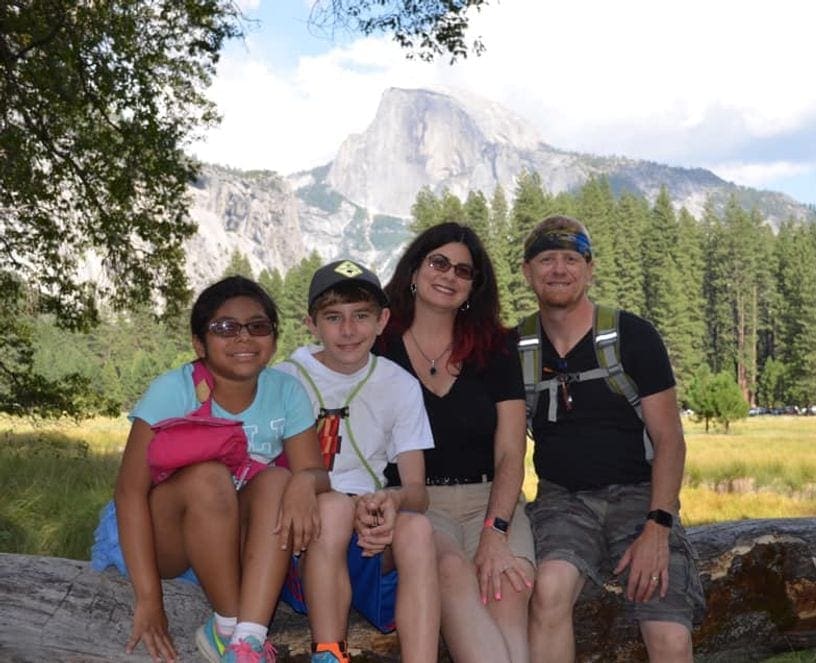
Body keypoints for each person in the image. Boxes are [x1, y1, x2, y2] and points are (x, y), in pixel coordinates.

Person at [110, 276, 330, 663]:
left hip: (236, 540)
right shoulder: (172, 390)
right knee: (208, 475)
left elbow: (316, 473)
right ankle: (226, 627)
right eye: (225, 327)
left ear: (273, 338)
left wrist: (303, 481)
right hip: (171, 540)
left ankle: (247, 639)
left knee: (279, 478)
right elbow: (129, 492)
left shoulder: (287, 391)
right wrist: (149, 598)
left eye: (258, 326)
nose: (244, 338)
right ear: (199, 343)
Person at [519, 216, 706, 663]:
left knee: (668, 631)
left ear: (590, 268)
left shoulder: (633, 336)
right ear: (527, 272)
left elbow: (669, 441)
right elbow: (506, 445)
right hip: (562, 501)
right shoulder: (519, 349)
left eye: (570, 258)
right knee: (547, 591)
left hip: (641, 498)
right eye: (547, 259)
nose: (559, 269)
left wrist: (658, 527)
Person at [378, 222, 534, 663]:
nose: (449, 276)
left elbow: (510, 452)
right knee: (449, 571)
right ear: (414, 269)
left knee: (508, 590)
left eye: (463, 271)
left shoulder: (496, 347)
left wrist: (496, 531)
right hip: (420, 504)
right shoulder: (379, 346)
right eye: (439, 262)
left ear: (473, 287)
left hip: (493, 500)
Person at [274, 258, 440, 663]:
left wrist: (392, 502)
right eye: (333, 317)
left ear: (383, 320)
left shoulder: (399, 384)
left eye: (361, 316)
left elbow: (418, 492)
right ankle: (329, 652)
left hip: (366, 529)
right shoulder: (285, 378)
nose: (348, 330)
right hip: (303, 535)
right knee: (332, 509)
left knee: (416, 529)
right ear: (311, 324)